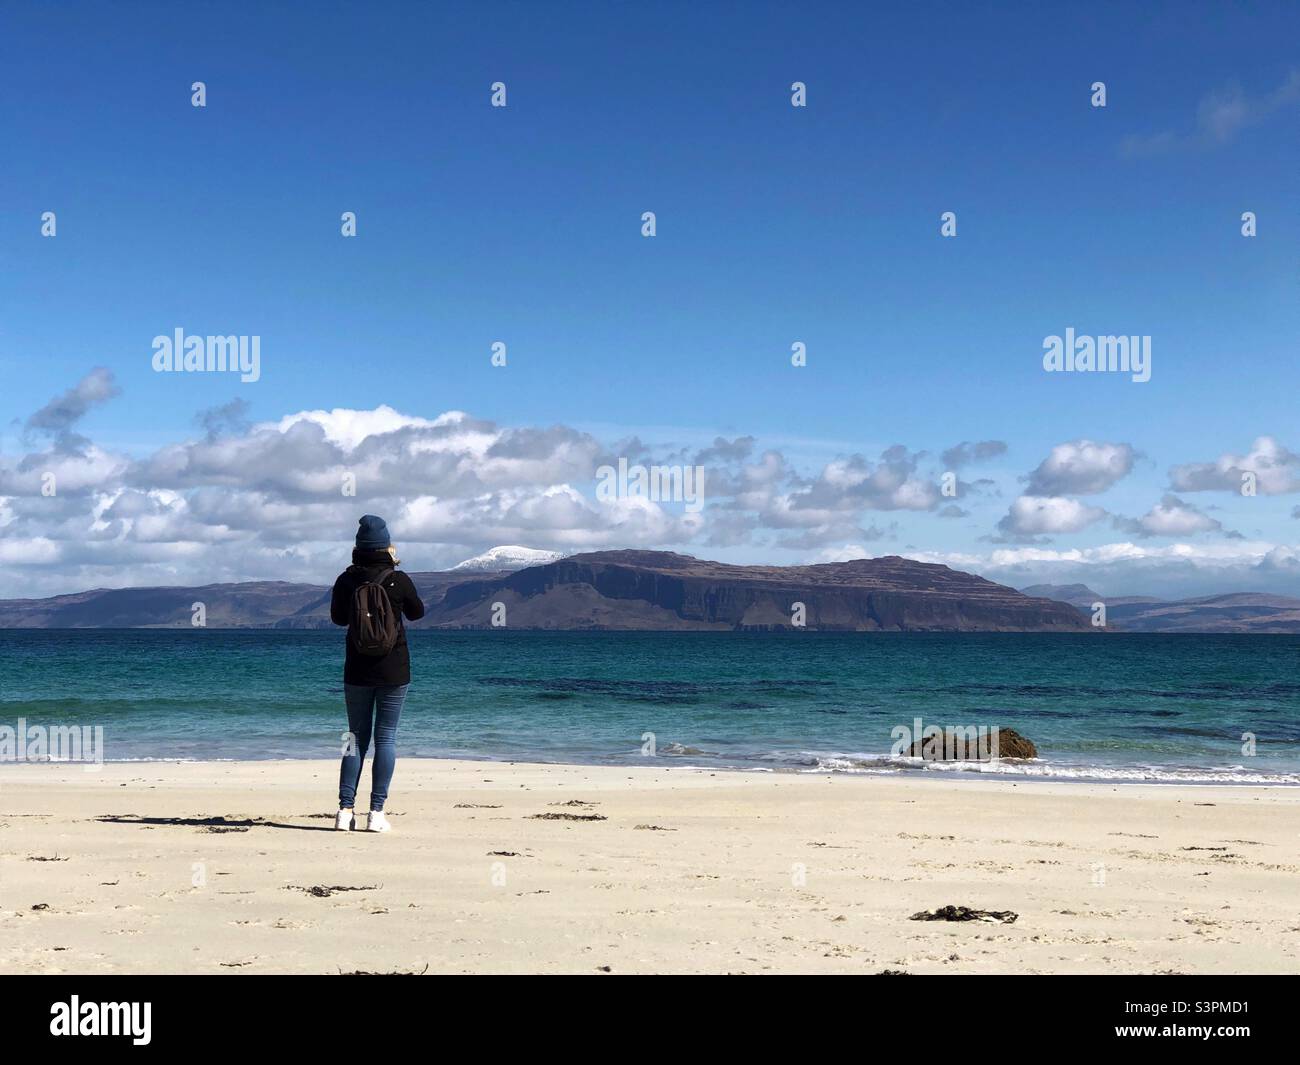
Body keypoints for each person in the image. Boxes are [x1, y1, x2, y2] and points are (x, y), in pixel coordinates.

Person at [329, 515, 425, 832]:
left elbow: (338, 619)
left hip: (356, 669)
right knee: (386, 738)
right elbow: (417, 612)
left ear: (358, 546)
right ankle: (376, 813)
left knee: (354, 739)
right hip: (393, 669)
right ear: (386, 545)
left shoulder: (346, 580)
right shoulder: (399, 579)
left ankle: (344, 812)